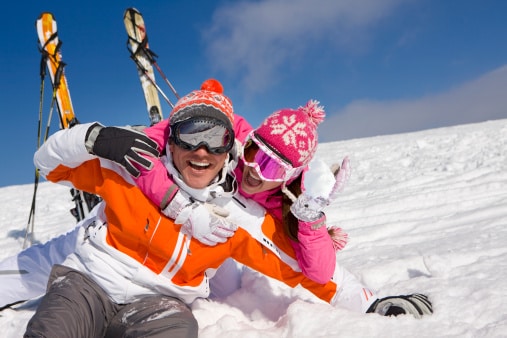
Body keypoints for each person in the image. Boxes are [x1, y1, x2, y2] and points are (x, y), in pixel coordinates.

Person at [17, 82, 430, 336]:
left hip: (159, 300)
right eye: (190, 136)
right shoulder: (134, 164)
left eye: (215, 140)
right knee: (46, 313)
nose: (201, 151)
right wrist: (92, 138)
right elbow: (46, 164)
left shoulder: (238, 215)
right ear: (171, 140)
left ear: (228, 147)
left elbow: (297, 266)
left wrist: (370, 303)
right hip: (92, 268)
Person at [128, 79, 349, 284]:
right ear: (249, 140)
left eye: (273, 168)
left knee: (228, 287)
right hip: (172, 228)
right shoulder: (233, 134)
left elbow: (320, 274)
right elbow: (150, 140)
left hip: (221, 247)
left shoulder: (284, 203)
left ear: (289, 177)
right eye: (254, 153)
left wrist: (312, 217)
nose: (255, 170)